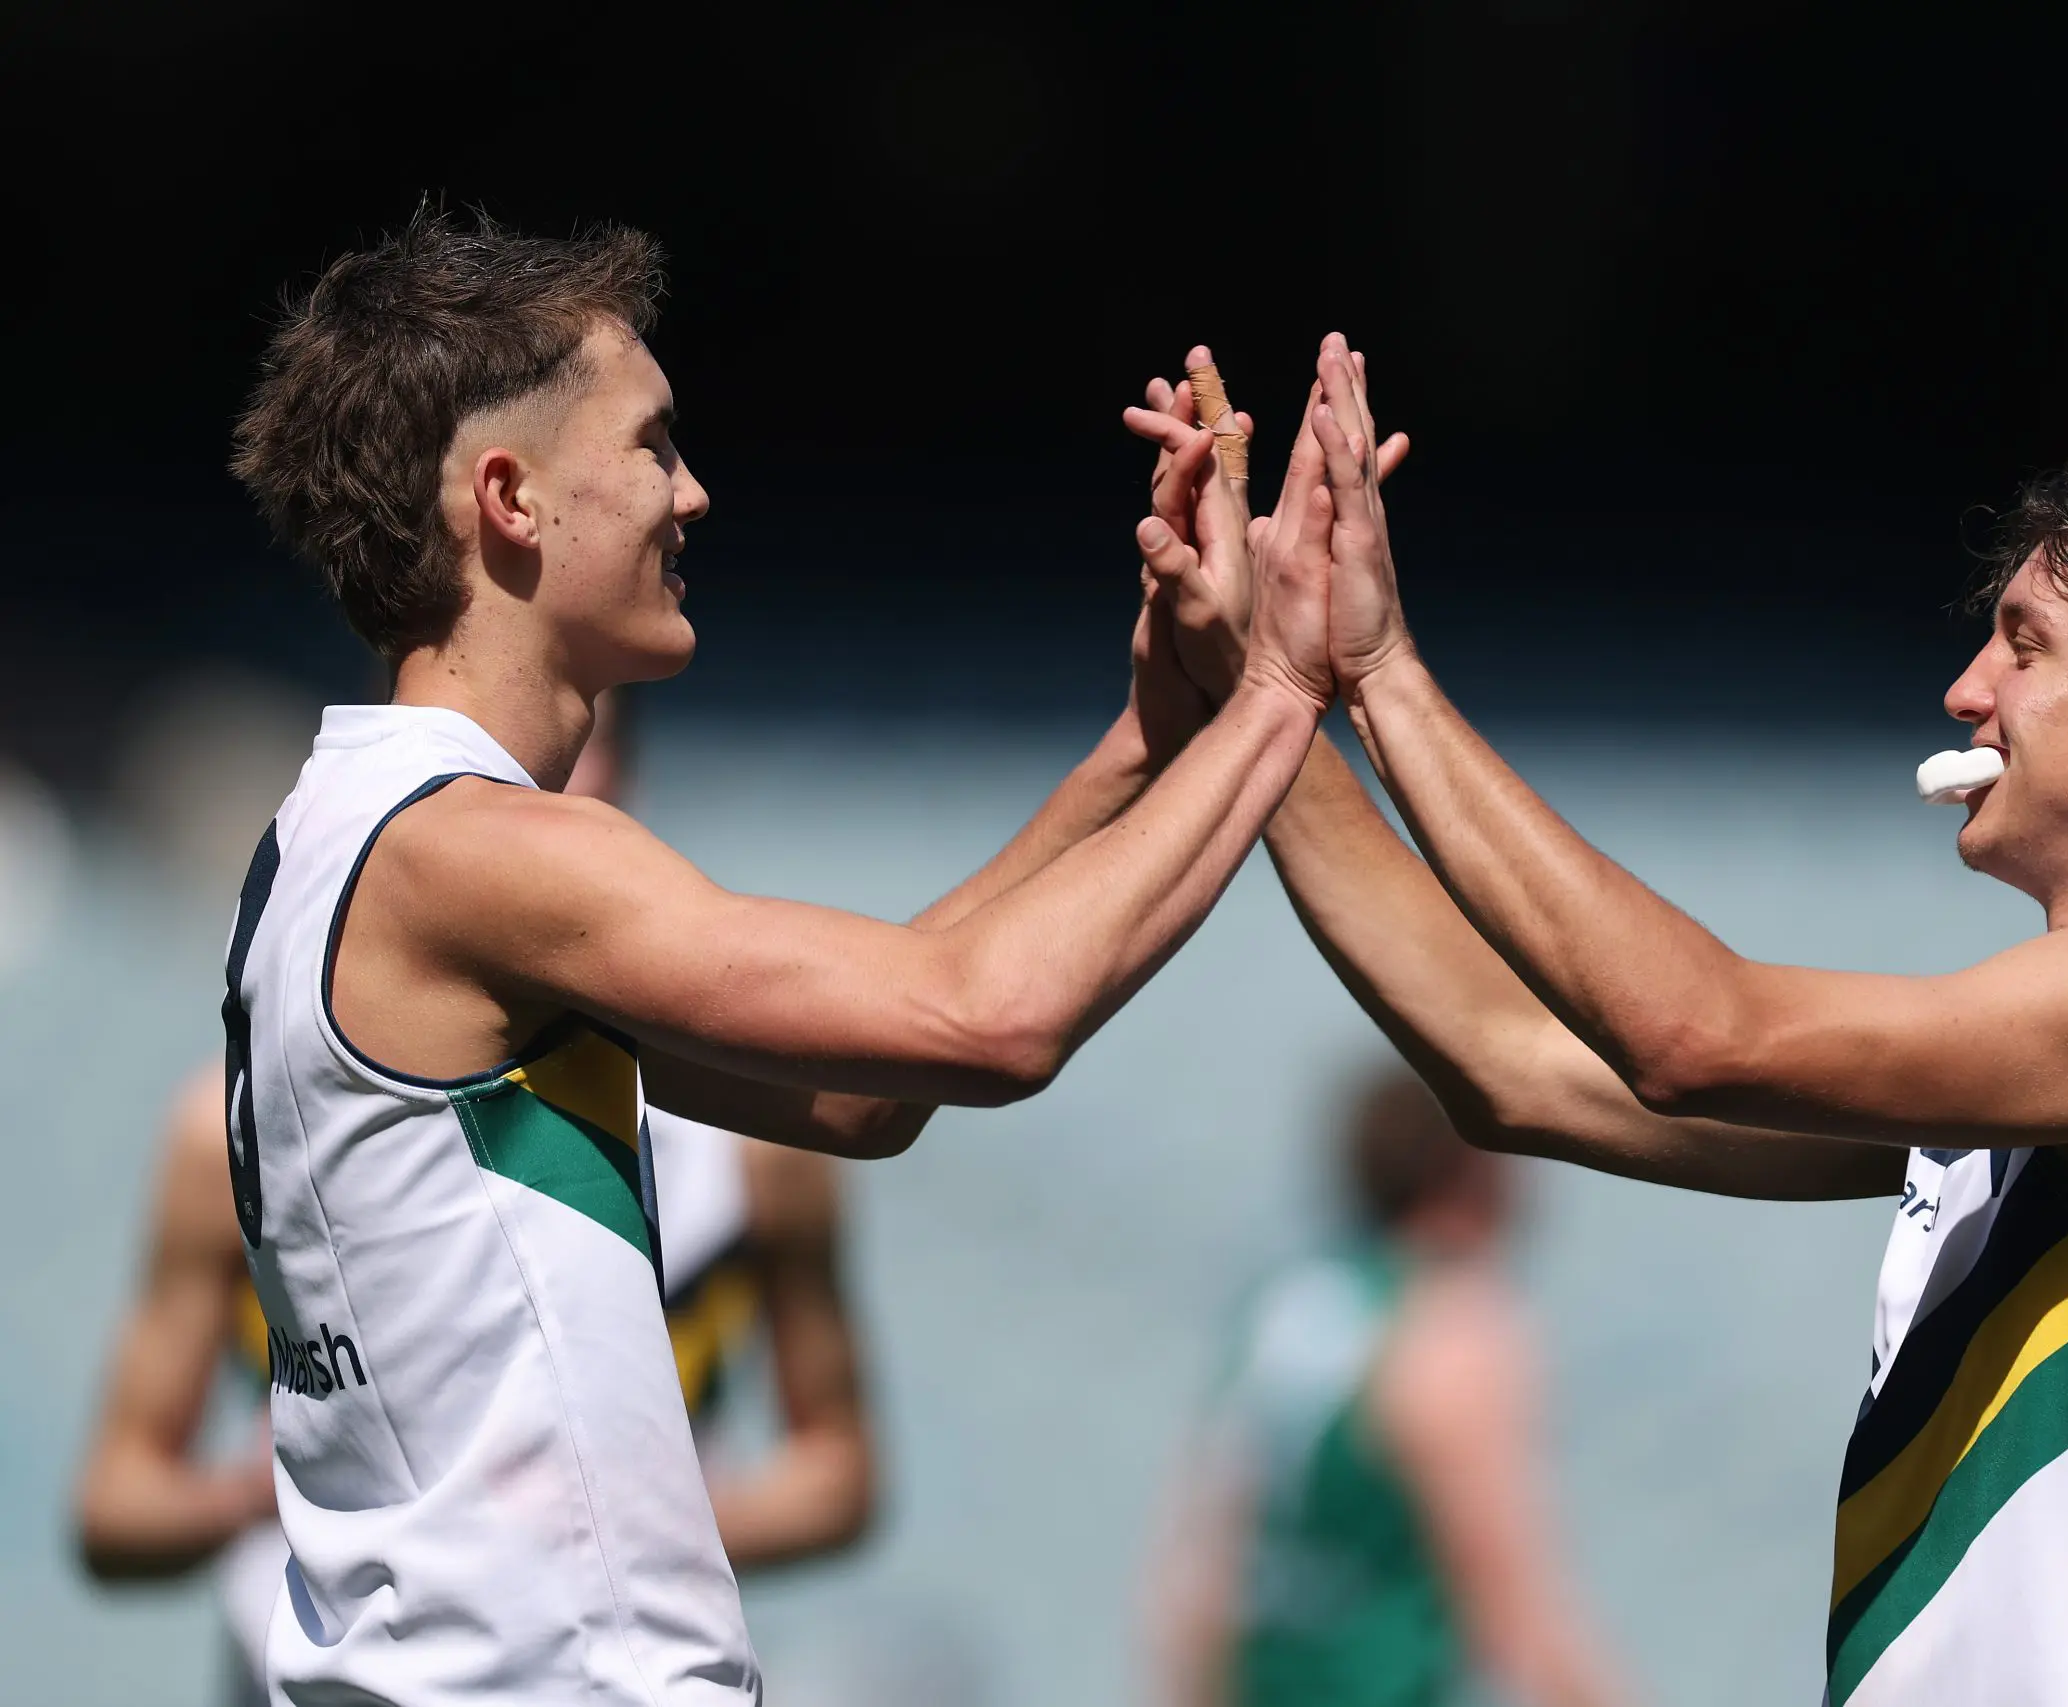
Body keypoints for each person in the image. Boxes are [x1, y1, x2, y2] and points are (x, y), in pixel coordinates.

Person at [1127, 338, 2068, 1705]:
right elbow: (1511, 1066)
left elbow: (1695, 1031)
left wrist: (1377, 663)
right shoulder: (2056, 1079)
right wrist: (1262, 684)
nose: (1965, 690)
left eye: (2024, 645)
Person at [213, 208, 1340, 1705]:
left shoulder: (341, 842)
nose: (694, 490)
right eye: (652, 443)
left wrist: (1153, 736)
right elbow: (992, 1021)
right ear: (511, 497)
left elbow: (861, 1091)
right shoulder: (476, 852)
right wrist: (1287, 683)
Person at [76, 693, 881, 1706]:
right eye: (488, 792)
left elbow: (840, 1474)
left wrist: (613, 1524)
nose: (546, 811)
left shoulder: (756, 1150)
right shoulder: (234, 1127)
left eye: (585, 772)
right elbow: (116, 1508)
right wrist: (274, 1488)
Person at [1152, 1068, 1625, 1707]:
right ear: (1477, 1174)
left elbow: (1196, 1586)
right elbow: (1518, 1616)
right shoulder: (1457, 1330)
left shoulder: (1286, 1311)